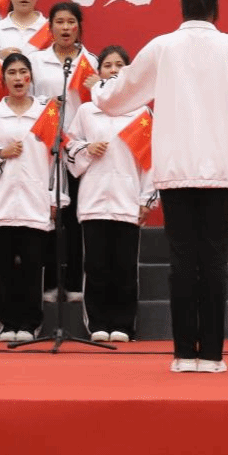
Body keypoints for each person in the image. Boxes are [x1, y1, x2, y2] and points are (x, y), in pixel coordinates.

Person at [91, 0, 228, 373]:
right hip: (221, 167)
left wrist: (99, 87)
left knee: (182, 261)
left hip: (177, 166)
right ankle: (212, 355)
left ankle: (184, 354)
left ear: (182, 5)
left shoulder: (162, 47)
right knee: (214, 261)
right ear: (215, 7)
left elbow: (116, 98)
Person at [65, 45, 157, 343]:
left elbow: (151, 161)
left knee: (125, 267)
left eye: (119, 65)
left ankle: (123, 324)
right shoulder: (87, 111)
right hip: (93, 199)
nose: (114, 70)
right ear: (99, 72)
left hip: (127, 200)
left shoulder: (140, 111)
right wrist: (87, 149)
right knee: (96, 266)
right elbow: (69, 148)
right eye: (108, 65)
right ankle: (97, 323)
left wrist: (147, 200)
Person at [0, 53, 65, 342]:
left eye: (23, 72)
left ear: (31, 77)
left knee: (33, 267)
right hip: (0, 204)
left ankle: (30, 323)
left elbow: (57, 160)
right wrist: (1, 153)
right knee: (3, 269)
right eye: (11, 72)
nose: (18, 78)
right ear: (3, 80)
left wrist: (56, 198)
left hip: (35, 203)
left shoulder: (46, 114)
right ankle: (7, 323)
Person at [28, 2, 96, 302]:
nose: (65, 28)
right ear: (50, 27)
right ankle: (50, 283)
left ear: (79, 27)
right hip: (46, 148)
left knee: (77, 217)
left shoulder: (91, 62)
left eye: (71, 22)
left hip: (80, 149)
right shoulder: (35, 61)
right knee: (48, 215)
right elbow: (25, 100)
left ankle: (75, 282)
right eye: (59, 22)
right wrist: (46, 106)